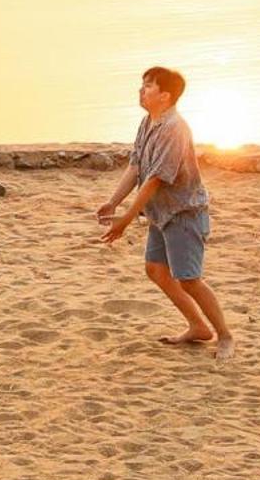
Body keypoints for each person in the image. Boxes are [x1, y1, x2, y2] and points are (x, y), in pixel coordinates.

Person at [94, 67, 234, 361]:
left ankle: (225, 336)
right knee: (156, 270)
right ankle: (198, 326)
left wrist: (126, 219)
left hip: (183, 213)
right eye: (142, 85)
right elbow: (136, 166)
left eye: (148, 87)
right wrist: (113, 203)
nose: (141, 91)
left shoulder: (174, 129)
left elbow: (155, 179)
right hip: (160, 212)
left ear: (166, 96)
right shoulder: (148, 122)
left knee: (189, 279)